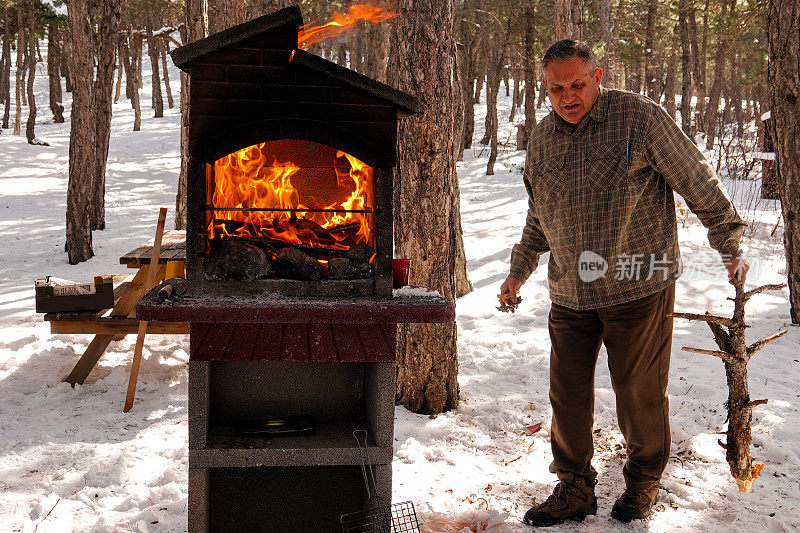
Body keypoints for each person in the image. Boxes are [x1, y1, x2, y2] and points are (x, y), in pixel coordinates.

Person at [500, 39, 749, 526]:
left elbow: (697, 180)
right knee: (566, 395)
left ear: (597, 76)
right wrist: (518, 270)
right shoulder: (543, 139)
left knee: (638, 392)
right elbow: (539, 216)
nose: (567, 97)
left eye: (576, 85)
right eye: (555, 89)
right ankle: (574, 488)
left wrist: (730, 244)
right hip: (570, 291)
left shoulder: (638, 119)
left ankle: (642, 484)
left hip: (638, 285)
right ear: (544, 89)